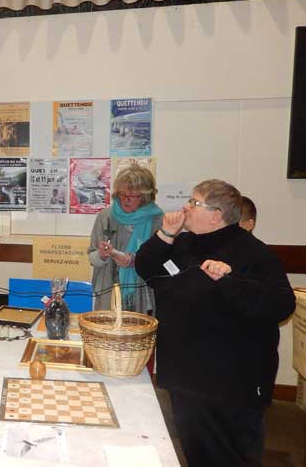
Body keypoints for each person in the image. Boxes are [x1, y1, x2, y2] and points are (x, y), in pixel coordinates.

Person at [135, 179, 295, 466]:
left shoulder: (253, 252)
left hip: (231, 385)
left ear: (216, 215)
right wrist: (165, 235)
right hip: (185, 377)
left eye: (194, 202)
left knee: (232, 458)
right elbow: (146, 267)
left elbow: (281, 305)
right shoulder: (183, 242)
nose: (186, 207)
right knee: (196, 453)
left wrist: (229, 281)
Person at [87, 165, 163, 313]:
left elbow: (161, 263)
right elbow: (92, 259)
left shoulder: (157, 220)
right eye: (122, 195)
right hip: (109, 293)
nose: (126, 200)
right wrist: (102, 255)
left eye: (133, 196)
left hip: (144, 295)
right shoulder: (105, 217)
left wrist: (134, 261)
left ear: (145, 196)